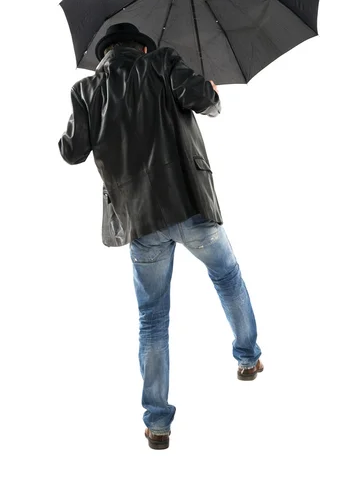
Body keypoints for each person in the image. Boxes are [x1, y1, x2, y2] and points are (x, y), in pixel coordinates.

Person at [58, 22, 263, 450]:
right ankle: (248, 359)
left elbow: (72, 151)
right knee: (227, 277)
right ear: (142, 47)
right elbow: (203, 100)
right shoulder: (162, 62)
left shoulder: (86, 92)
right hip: (189, 205)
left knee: (152, 319)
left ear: (104, 55)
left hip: (141, 223)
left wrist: (71, 130)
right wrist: (209, 90)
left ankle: (158, 424)